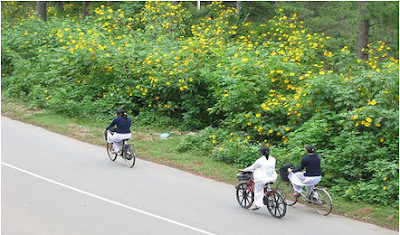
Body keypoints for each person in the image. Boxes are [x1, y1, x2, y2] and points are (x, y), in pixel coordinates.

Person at [240, 146, 278, 211]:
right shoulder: (273, 159)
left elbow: (252, 167)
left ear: (261, 153)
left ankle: (257, 205)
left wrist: (244, 170)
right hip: (272, 177)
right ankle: (268, 194)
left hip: (262, 179)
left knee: (258, 191)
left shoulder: (259, 161)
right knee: (265, 185)